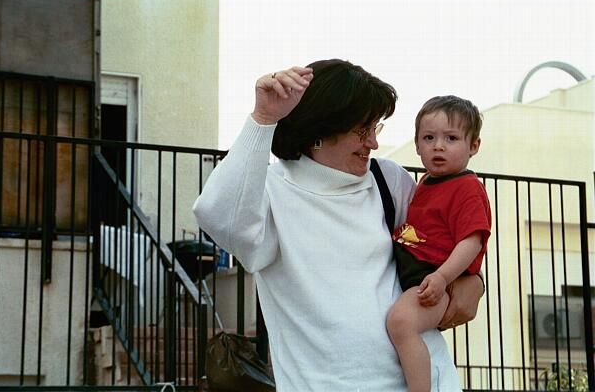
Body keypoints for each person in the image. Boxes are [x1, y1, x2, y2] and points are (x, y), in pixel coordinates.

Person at [193, 59, 484, 391]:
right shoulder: (270, 191)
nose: (373, 142)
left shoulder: (388, 180)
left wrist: (473, 280)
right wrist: (263, 118)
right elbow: (218, 215)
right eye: (362, 130)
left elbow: (443, 242)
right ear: (320, 130)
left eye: (375, 128)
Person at [386, 95, 492, 392]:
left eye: (451, 138)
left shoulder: (468, 188)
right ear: (417, 144)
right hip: (420, 274)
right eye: (429, 138)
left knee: (401, 322)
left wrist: (443, 277)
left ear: (474, 146)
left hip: (435, 280)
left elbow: (472, 240)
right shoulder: (425, 183)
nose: (438, 146)